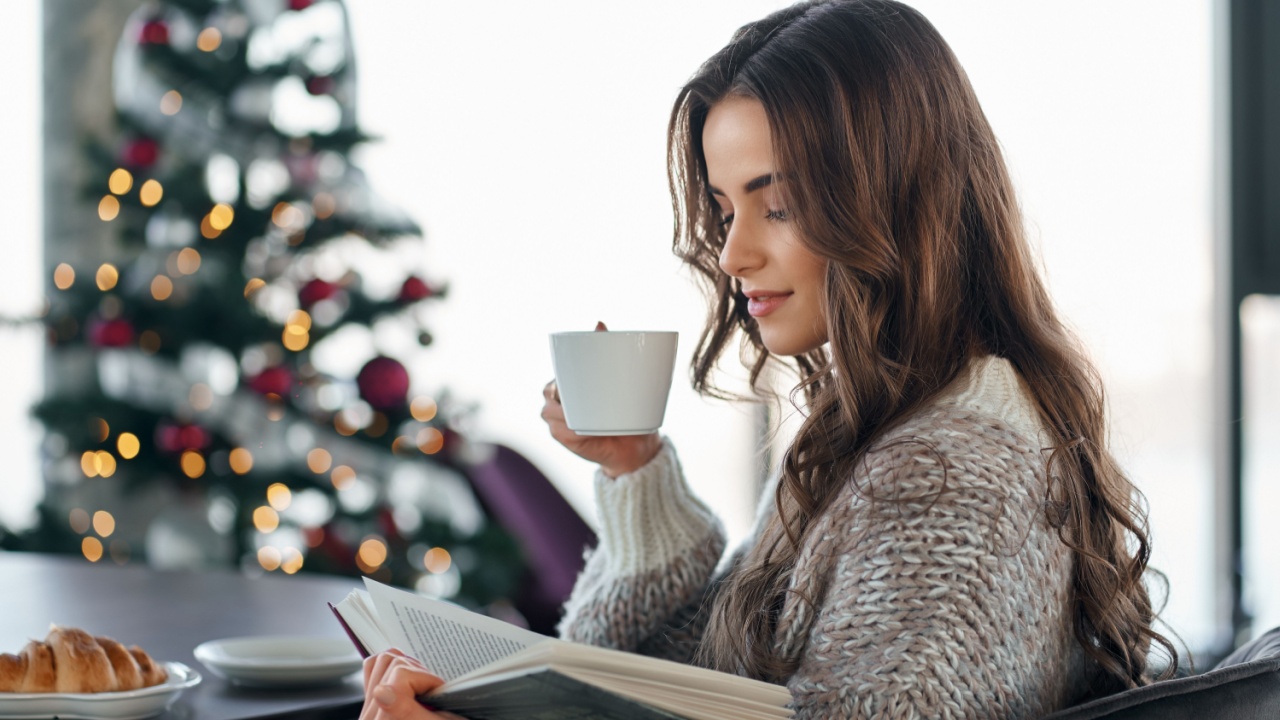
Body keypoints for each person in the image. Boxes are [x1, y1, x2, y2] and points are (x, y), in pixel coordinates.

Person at [358, 1, 1179, 718]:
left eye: (777, 205)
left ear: (892, 201)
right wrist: (636, 475)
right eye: (723, 208)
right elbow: (716, 675)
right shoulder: (881, 432)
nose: (732, 254)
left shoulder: (948, 476)